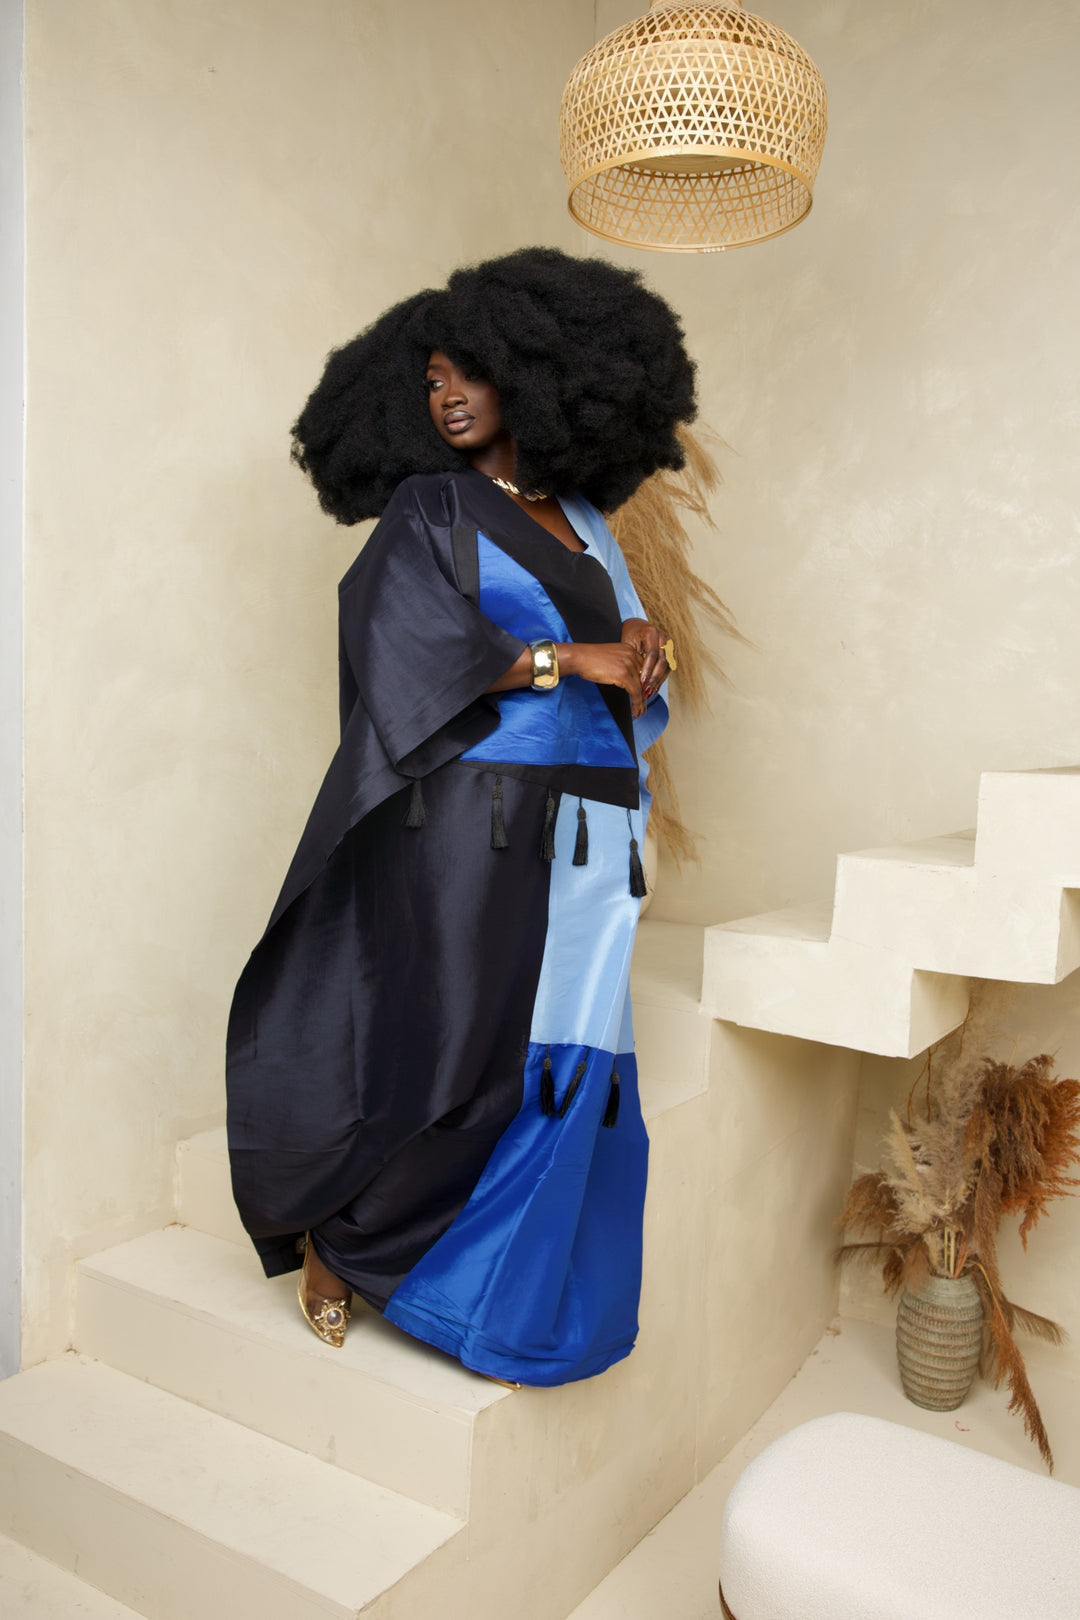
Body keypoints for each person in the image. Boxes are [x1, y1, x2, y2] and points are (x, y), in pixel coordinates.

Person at [226, 247, 697, 1387]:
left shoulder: (584, 517)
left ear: (533, 378)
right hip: (473, 818)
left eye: (470, 373)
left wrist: (642, 644)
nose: (447, 395)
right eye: (432, 377)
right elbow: (406, 651)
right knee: (464, 1059)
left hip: (592, 821)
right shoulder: (429, 508)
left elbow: (630, 647)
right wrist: (570, 658)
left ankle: (508, 1301)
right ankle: (346, 1244)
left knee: (561, 1060)